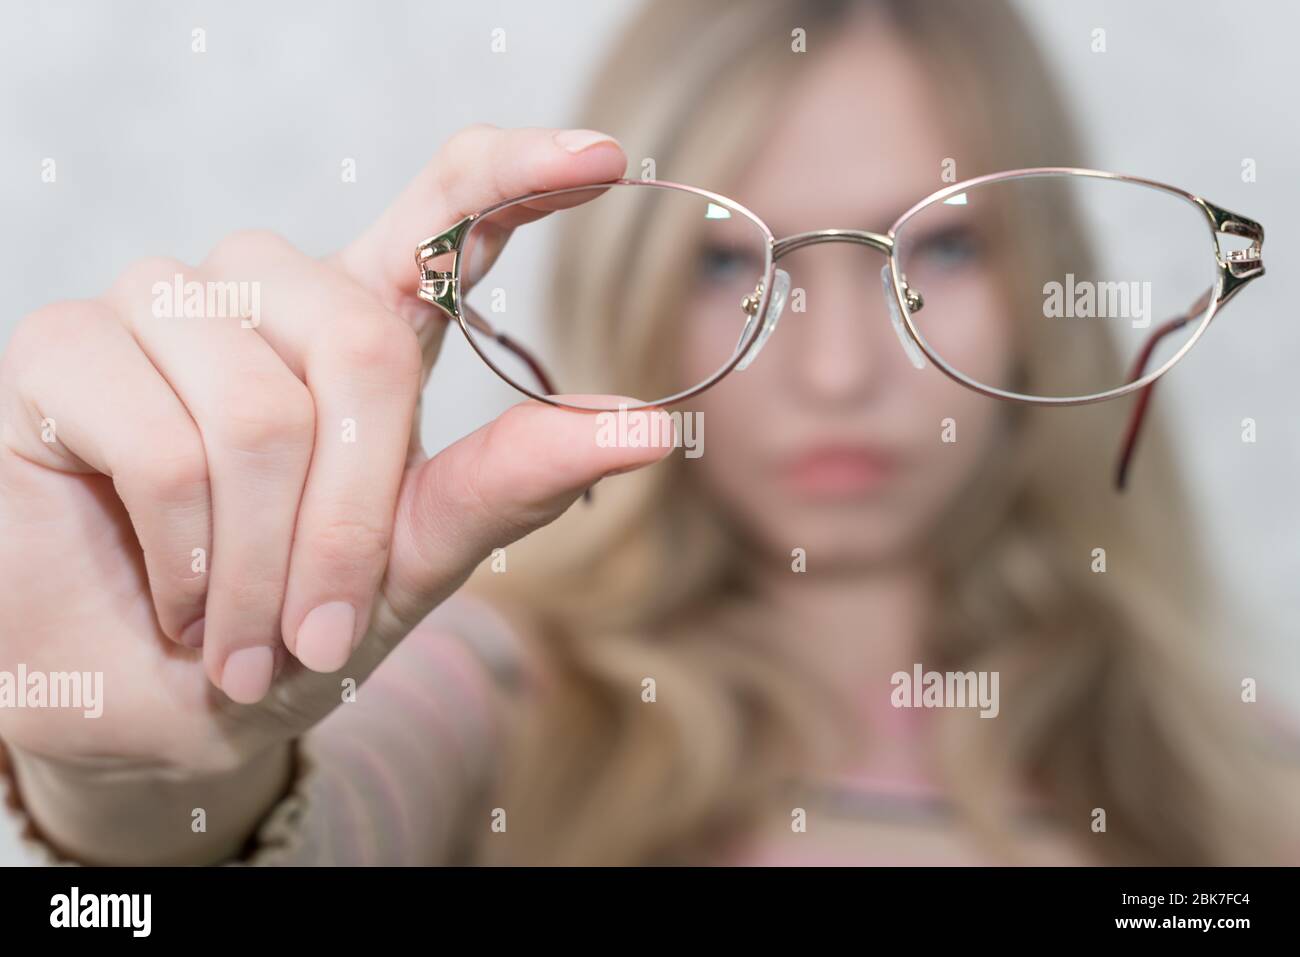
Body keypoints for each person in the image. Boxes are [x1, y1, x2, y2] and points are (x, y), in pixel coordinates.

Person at [1, 0, 1294, 866]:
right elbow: (312, 815)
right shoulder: (502, 694)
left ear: (1042, 280)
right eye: (728, 264)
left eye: (941, 242)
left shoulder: (1243, 775)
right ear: (625, 286)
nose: (840, 369)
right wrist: (132, 789)